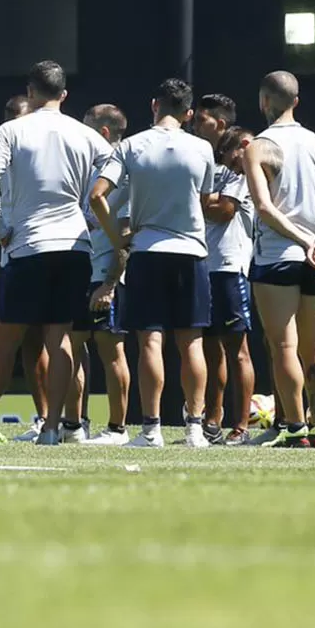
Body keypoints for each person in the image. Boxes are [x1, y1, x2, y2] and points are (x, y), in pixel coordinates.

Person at [0, 61, 100, 444]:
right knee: (61, 338)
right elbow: (119, 177)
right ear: (64, 95)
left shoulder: (12, 130)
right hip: (74, 246)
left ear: (30, 92)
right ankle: (53, 428)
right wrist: (94, 216)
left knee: (4, 344)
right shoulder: (85, 134)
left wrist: (0, 229)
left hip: (28, 247)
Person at [91, 79, 215, 448]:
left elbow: (98, 196)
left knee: (151, 342)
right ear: (189, 114)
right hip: (191, 252)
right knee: (192, 343)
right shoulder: (202, 148)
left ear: (154, 105)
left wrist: (119, 240)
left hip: (147, 252)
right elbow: (207, 202)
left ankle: (151, 430)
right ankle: (195, 428)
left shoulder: (131, 145)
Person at [242, 71, 315, 448]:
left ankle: (295, 427)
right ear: (296, 102)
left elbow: (264, 208)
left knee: (284, 348)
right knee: (314, 350)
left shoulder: (257, 146)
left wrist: (306, 239)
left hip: (277, 257)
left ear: (263, 102)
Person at [192, 94, 256, 446]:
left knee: (238, 348)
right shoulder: (203, 164)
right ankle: (212, 422)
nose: (193, 125)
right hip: (203, 265)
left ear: (219, 123)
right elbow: (210, 204)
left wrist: (193, 198)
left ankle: (242, 425)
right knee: (210, 348)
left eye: (201, 119)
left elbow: (224, 210)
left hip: (230, 266)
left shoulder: (240, 164)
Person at [79, 104, 134, 446]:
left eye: (86, 129)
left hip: (105, 274)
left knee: (110, 348)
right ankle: (75, 424)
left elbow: (125, 237)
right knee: (73, 344)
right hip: (80, 268)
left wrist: (111, 283)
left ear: (102, 133)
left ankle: (117, 428)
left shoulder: (123, 172)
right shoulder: (90, 169)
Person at [0, 95, 52, 441]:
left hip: (47, 252)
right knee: (30, 344)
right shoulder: (2, 152)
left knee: (63, 339)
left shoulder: (45, 155)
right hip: (14, 255)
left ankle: (68, 421)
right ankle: (45, 417)